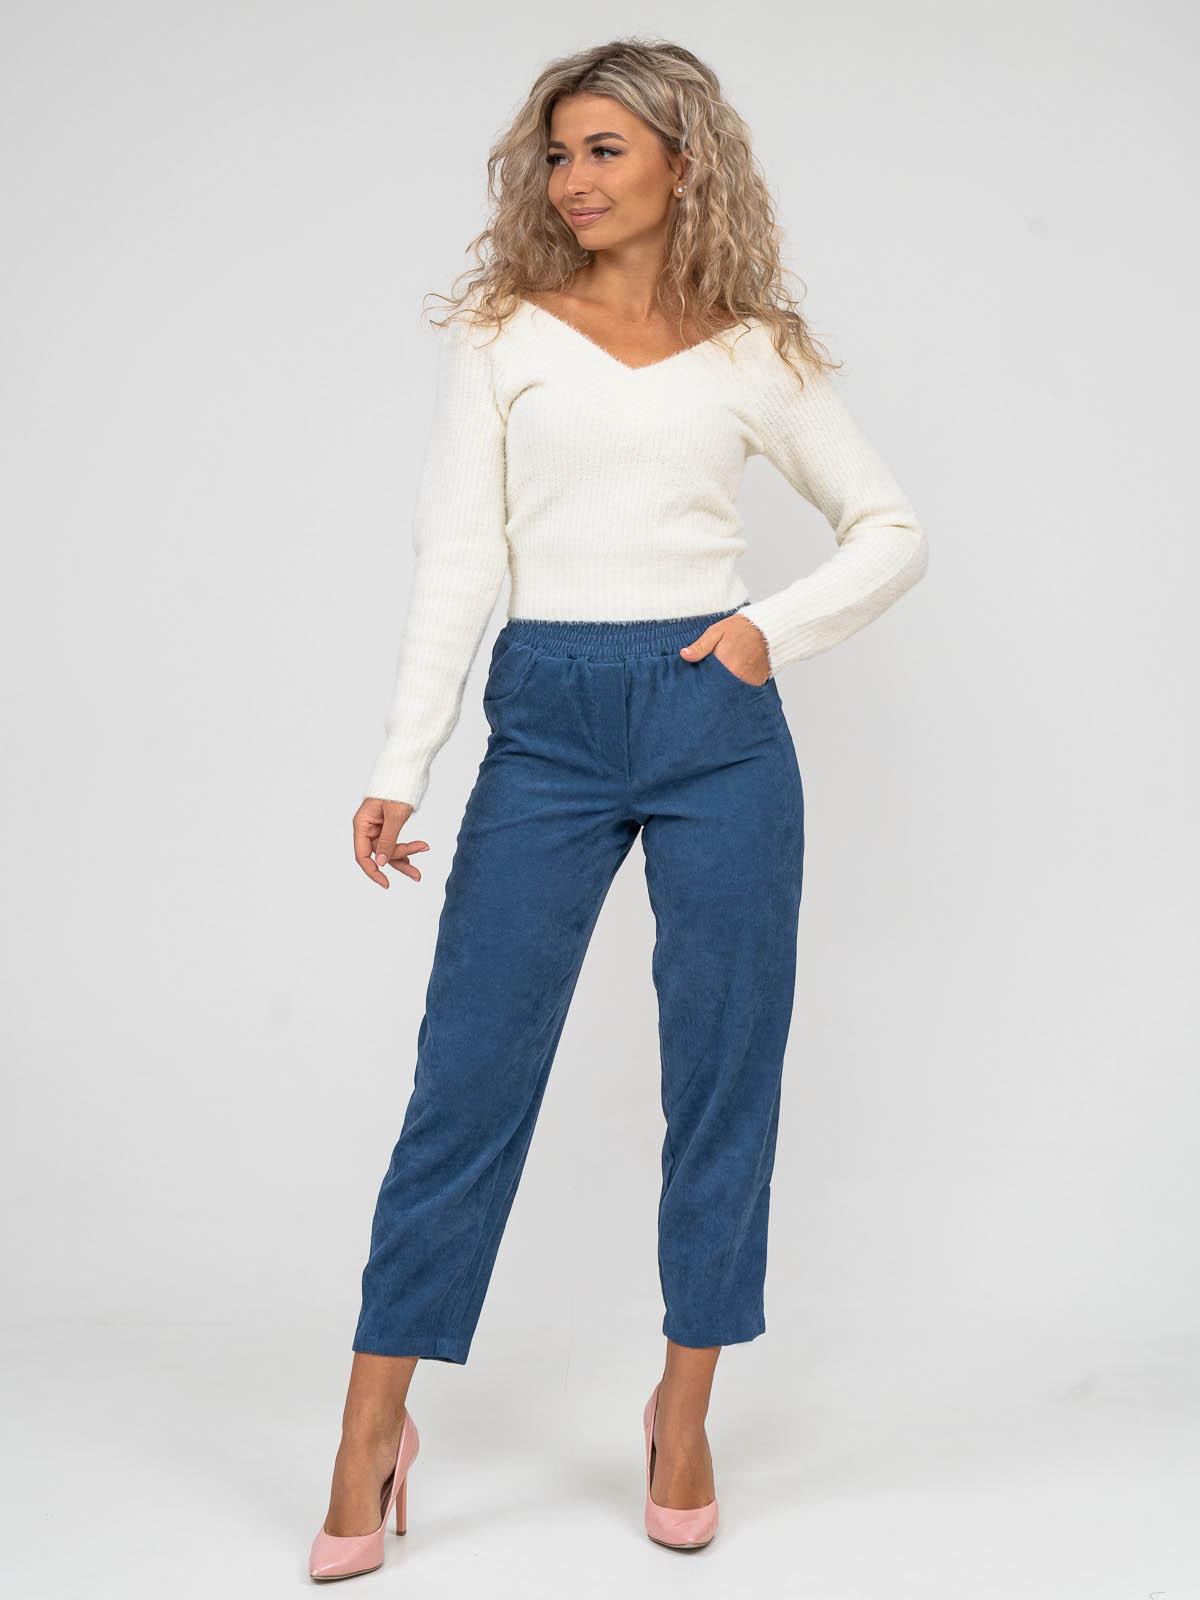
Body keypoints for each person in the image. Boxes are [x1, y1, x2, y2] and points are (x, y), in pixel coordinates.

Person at [309, 36, 928, 1581]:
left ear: (681, 164)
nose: (572, 179)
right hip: (551, 725)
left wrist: (766, 633)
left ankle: (685, 1409)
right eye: (557, 153)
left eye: (604, 150)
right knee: (468, 1077)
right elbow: (461, 554)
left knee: (723, 1073)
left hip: (717, 724)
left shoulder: (752, 350)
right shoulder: (503, 336)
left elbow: (889, 528)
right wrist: (401, 762)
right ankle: (371, 1427)